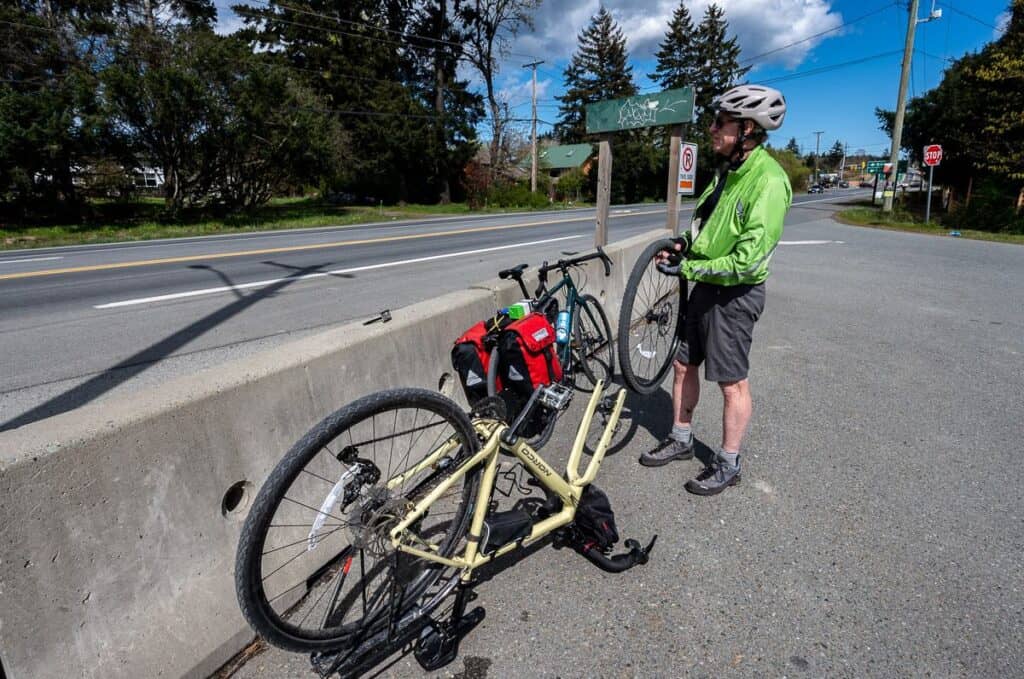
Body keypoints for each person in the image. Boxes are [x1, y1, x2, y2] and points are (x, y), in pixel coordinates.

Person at [639, 84, 792, 497]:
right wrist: (684, 246)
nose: (711, 129)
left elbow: (748, 261)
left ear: (746, 128)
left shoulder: (769, 181)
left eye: (720, 123)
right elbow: (706, 225)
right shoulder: (726, 171)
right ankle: (681, 437)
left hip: (736, 294)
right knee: (683, 366)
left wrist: (690, 266)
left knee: (730, 381)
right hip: (706, 286)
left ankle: (728, 461)